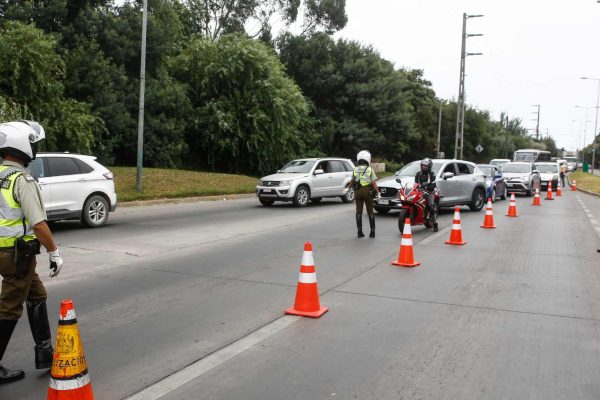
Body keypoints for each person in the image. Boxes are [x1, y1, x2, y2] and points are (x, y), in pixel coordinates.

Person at [0, 120, 63, 384]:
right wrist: (54, 251)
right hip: (17, 254)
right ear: (21, 144)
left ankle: (45, 353)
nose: (35, 149)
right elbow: (38, 224)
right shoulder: (21, 179)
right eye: (33, 143)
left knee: (37, 294)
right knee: (9, 308)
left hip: (8, 253)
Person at [346, 150, 379, 238]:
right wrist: (378, 192)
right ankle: (372, 232)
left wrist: (347, 189)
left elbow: (352, 181)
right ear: (368, 159)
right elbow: (373, 183)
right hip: (367, 191)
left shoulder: (355, 169)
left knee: (358, 212)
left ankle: (359, 232)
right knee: (370, 211)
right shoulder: (370, 169)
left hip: (358, 191)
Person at [414, 158, 438, 232]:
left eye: (425, 166)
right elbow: (415, 184)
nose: (423, 167)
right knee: (413, 201)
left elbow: (434, 184)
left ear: (429, 166)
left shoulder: (432, 174)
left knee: (431, 207)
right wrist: (416, 188)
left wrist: (426, 187)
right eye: (422, 165)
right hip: (420, 192)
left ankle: (435, 224)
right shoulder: (418, 174)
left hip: (429, 192)